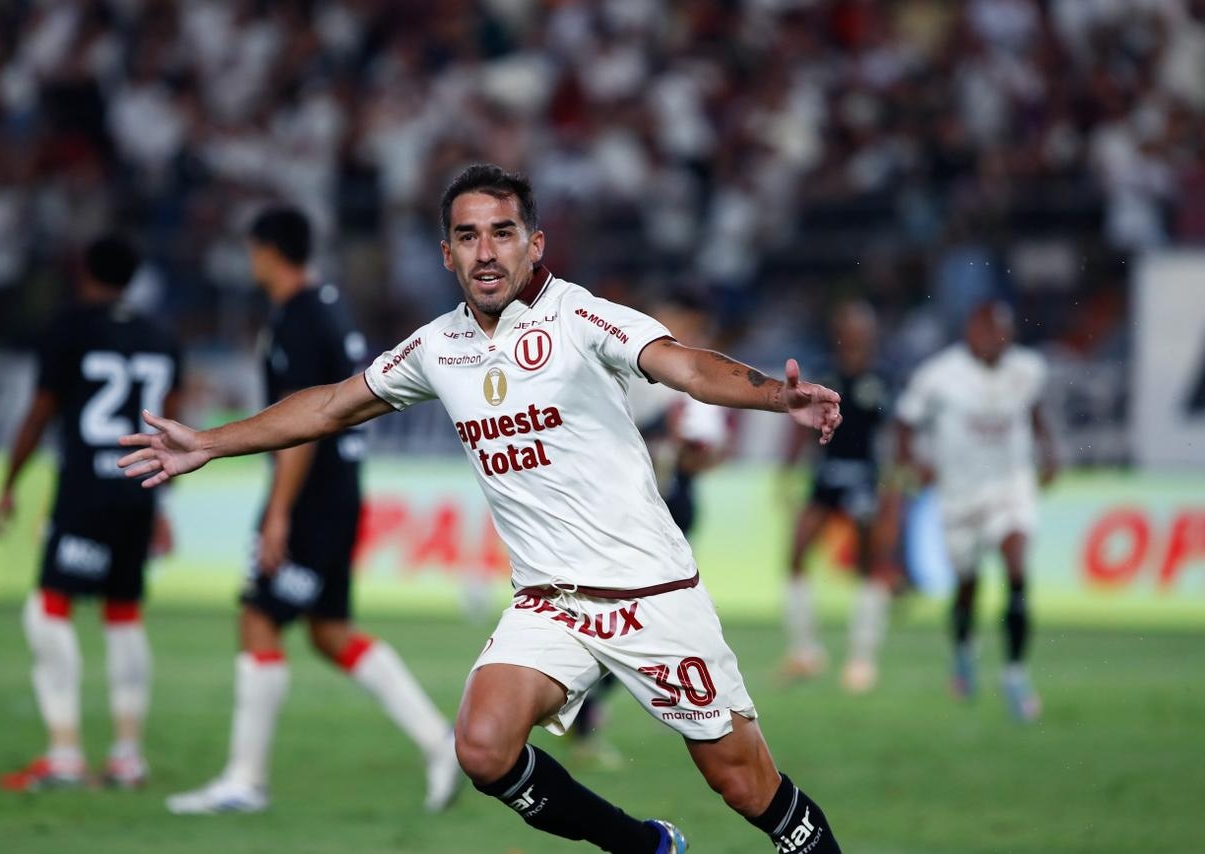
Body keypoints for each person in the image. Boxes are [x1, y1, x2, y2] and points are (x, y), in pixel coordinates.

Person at [119, 165, 844, 852]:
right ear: (446, 254)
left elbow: (685, 364)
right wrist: (211, 444)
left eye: (502, 232)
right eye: (468, 236)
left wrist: (775, 395)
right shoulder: (440, 347)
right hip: (549, 604)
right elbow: (332, 405)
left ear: (535, 244)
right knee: (483, 747)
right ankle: (643, 845)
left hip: (649, 593)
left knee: (744, 785)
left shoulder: (580, 315)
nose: (486, 252)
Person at [165, 206, 461, 815]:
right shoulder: (330, 305)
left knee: (259, 616)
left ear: (270, 252)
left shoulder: (298, 318)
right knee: (329, 634)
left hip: (311, 498)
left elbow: (300, 426)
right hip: (341, 491)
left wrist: (277, 513)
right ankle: (440, 743)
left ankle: (245, 781)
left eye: (253, 251)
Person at [0, 234, 182, 791]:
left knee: (48, 607)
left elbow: (41, 410)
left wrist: (9, 480)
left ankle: (66, 753)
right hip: (140, 488)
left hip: (85, 492)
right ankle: (126, 755)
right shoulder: (160, 335)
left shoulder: (70, 326)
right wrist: (164, 501)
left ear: (84, 272)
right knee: (122, 612)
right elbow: (170, 425)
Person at [571, 291, 730, 768]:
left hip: (671, 515)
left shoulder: (701, 385)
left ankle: (578, 709)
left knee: (639, 625)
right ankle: (573, 706)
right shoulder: (642, 373)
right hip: (628, 515)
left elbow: (706, 457)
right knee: (637, 625)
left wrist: (686, 450)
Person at [895, 300, 1058, 723]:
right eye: (984, 331)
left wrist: (1049, 452)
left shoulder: (1028, 369)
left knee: (1016, 567)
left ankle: (1015, 674)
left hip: (1011, 487)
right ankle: (965, 654)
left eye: (999, 332)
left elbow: (1035, 412)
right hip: (959, 496)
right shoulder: (938, 375)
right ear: (969, 331)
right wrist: (914, 464)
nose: (992, 339)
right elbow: (905, 421)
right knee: (967, 584)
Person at [780, 301, 899, 694]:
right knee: (796, 554)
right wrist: (789, 468)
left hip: (864, 476)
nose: (852, 333)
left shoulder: (882, 377)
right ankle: (805, 651)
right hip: (826, 474)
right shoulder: (824, 372)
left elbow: (896, 431)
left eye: (858, 326)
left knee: (868, 564)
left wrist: (896, 483)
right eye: (846, 325)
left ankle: (862, 659)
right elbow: (801, 424)